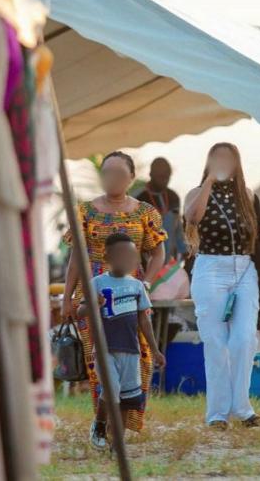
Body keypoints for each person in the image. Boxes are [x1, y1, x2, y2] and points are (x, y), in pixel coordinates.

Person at [62, 151, 167, 433]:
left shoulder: (146, 212)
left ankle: (124, 423)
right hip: (93, 295)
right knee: (100, 361)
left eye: (120, 173)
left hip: (131, 296)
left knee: (138, 358)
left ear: (132, 178)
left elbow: (158, 252)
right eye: (108, 172)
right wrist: (68, 298)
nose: (113, 178)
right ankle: (105, 426)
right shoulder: (84, 211)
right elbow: (76, 258)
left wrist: (147, 282)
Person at [185, 142, 260, 430]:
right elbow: (193, 218)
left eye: (228, 158)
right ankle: (217, 413)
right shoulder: (196, 192)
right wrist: (210, 181)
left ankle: (242, 407)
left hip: (244, 269)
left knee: (243, 340)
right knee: (215, 341)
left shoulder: (247, 195)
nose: (223, 162)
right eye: (218, 158)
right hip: (210, 267)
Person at [79, 233, 166, 450]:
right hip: (105, 348)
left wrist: (155, 350)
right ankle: (99, 424)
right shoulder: (96, 283)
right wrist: (93, 304)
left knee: (128, 396)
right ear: (107, 256)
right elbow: (80, 311)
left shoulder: (137, 285)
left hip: (131, 350)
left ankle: (117, 440)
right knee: (112, 388)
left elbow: (143, 320)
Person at [135, 157, 187, 262]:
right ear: (151, 175)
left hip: (170, 262)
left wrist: (184, 250)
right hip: (147, 262)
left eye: (167, 177)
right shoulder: (139, 198)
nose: (164, 181)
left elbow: (178, 227)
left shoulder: (173, 196)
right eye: (161, 177)